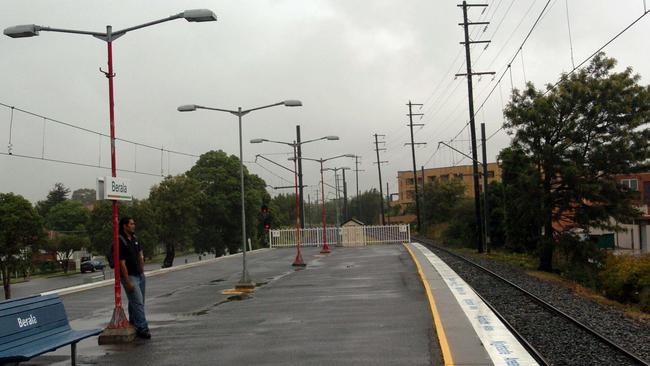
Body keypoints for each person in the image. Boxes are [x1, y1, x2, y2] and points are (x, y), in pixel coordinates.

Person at [118, 216, 151, 339]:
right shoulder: (120, 241)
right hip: (130, 276)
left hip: (139, 275)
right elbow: (122, 263)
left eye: (134, 223)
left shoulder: (135, 239)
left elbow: (140, 254)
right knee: (137, 302)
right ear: (125, 226)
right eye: (131, 224)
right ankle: (143, 328)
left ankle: (133, 323)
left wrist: (142, 268)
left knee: (137, 302)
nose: (133, 226)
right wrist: (127, 281)